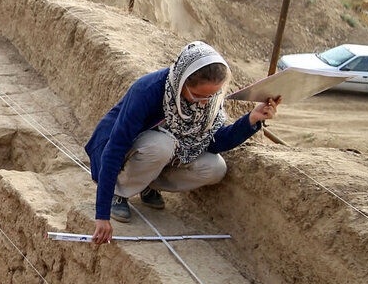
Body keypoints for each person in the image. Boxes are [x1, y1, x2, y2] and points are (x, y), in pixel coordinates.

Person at [87, 41, 280, 244]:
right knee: (163, 145)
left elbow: (213, 143)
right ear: (181, 82)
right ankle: (120, 192)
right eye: (198, 96)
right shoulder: (148, 91)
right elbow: (115, 148)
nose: (205, 103)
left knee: (215, 168)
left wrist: (252, 119)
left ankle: (146, 184)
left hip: (160, 156)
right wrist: (102, 213)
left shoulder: (210, 99)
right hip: (123, 150)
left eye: (211, 96)